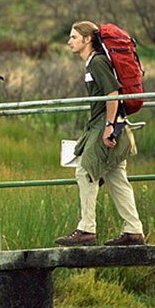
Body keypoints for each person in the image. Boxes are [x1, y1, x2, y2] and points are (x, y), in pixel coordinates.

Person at [55, 21, 145, 247]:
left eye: (74, 37)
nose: (69, 41)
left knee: (85, 172)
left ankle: (86, 229)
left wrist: (108, 126)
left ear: (87, 39)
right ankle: (134, 231)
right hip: (102, 125)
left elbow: (112, 93)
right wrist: (88, 135)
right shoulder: (93, 63)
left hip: (108, 126)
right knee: (116, 178)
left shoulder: (97, 62)